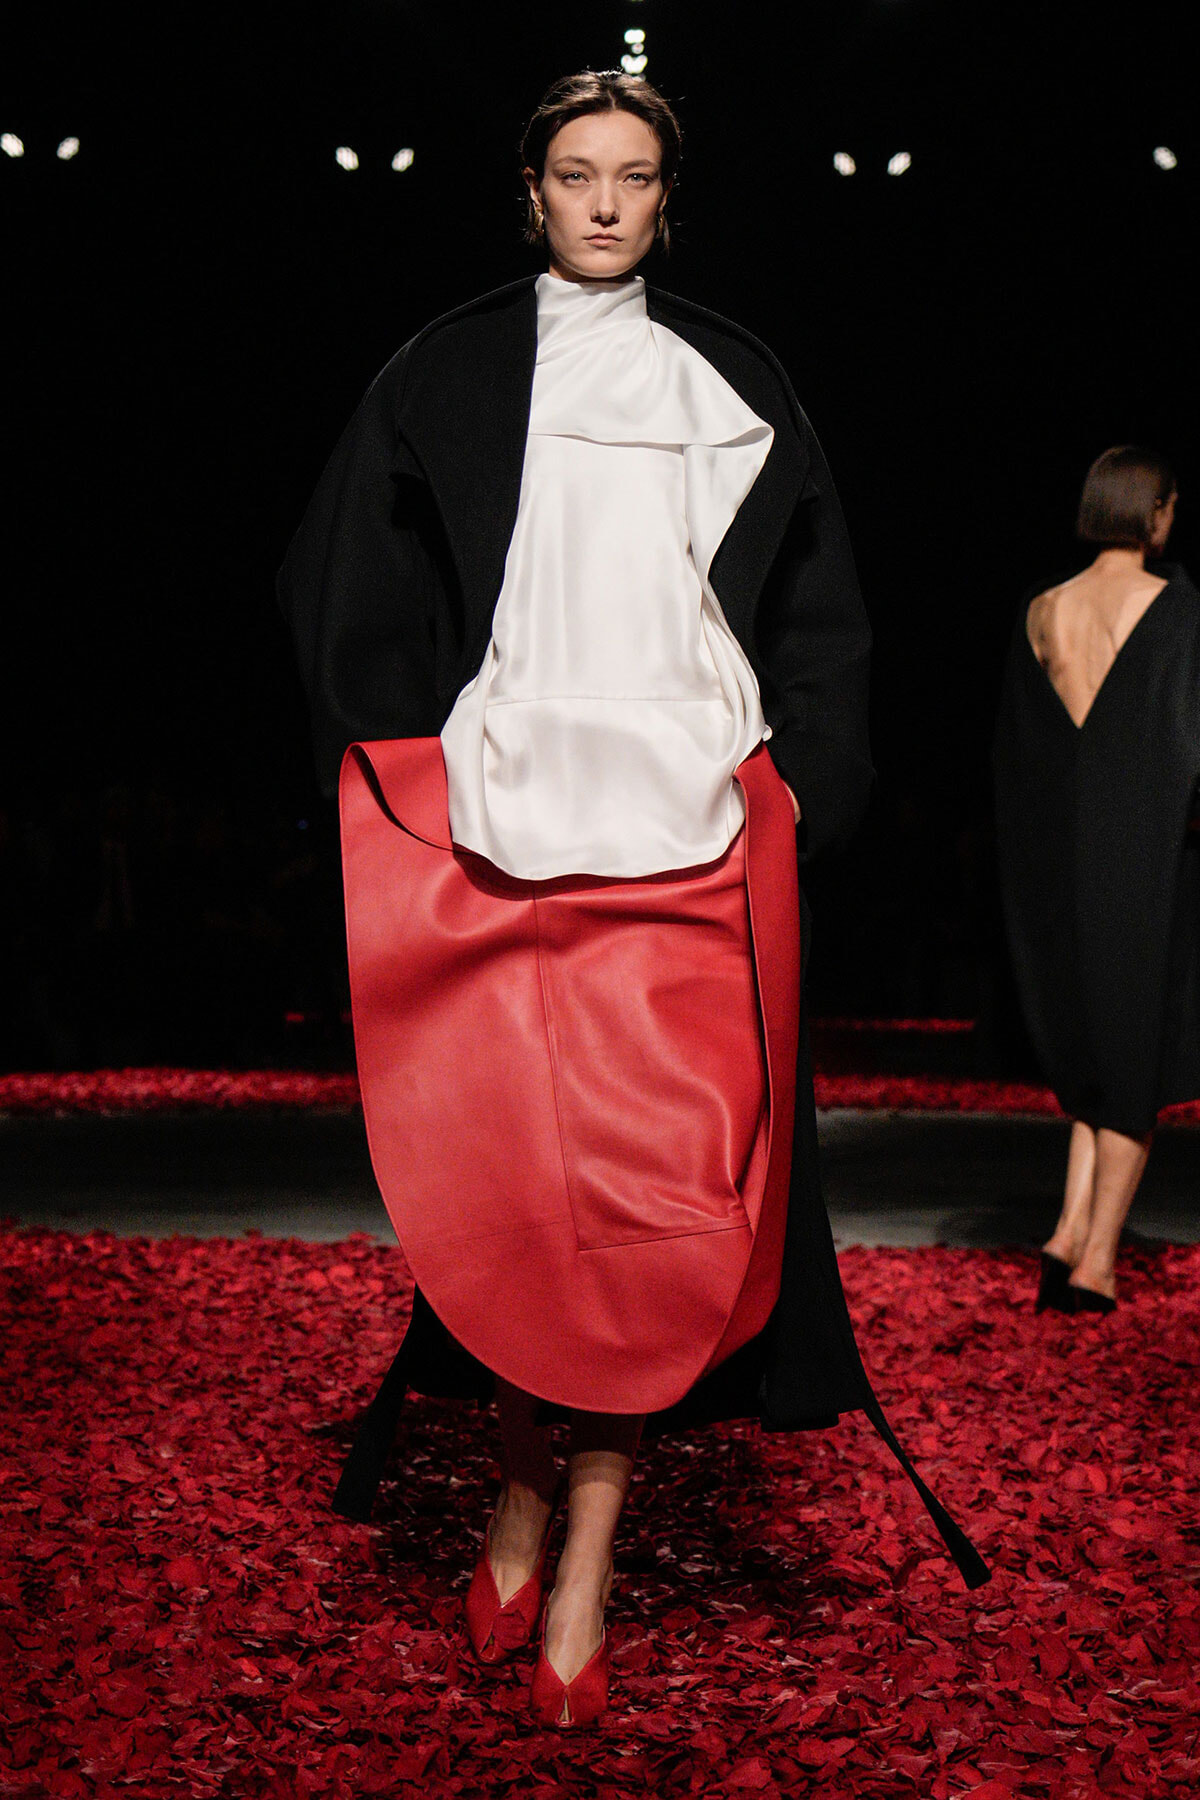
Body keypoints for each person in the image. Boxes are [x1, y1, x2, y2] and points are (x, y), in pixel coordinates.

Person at [279, 70, 987, 1730]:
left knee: (664, 1215)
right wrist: (386, 761)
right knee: (519, 1202)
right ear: (529, 191)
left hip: (692, 829)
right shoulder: (439, 372)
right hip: (495, 826)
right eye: (577, 174)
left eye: (637, 177)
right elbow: (341, 585)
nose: (605, 202)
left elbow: (821, 606)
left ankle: (584, 1552)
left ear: (672, 199)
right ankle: (526, 1487)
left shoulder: (732, 378)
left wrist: (808, 782)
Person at [994, 445, 1199, 1315]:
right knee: (1134, 1059)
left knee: (1095, 1051)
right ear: (1153, 512)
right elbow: (1185, 746)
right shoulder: (1172, 605)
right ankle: (1098, 1265)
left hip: (1058, 855)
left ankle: (1070, 1230)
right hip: (1142, 854)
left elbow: (1020, 751)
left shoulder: (1046, 609)